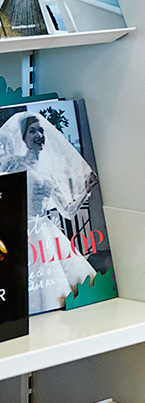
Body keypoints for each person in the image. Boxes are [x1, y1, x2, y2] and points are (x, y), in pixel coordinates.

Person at [0, 112, 97, 311]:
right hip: (24, 229)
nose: (38, 135)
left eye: (41, 131)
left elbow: (67, 211)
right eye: (32, 131)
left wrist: (86, 190)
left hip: (46, 229)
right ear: (24, 138)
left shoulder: (48, 172)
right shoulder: (15, 163)